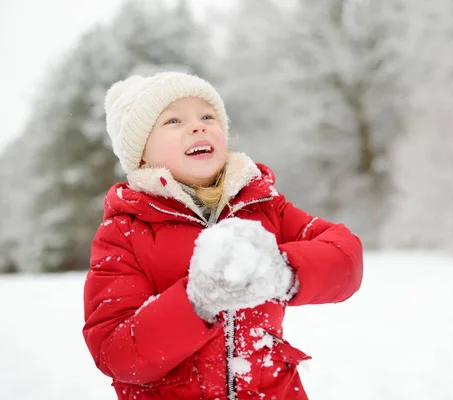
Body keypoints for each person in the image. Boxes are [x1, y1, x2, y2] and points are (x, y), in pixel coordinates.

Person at [82, 71, 363, 400]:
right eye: (173, 121)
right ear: (141, 153)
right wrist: (197, 301)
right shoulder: (124, 232)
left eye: (207, 116)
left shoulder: (262, 205)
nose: (198, 126)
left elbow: (346, 258)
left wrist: (282, 272)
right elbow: (116, 353)